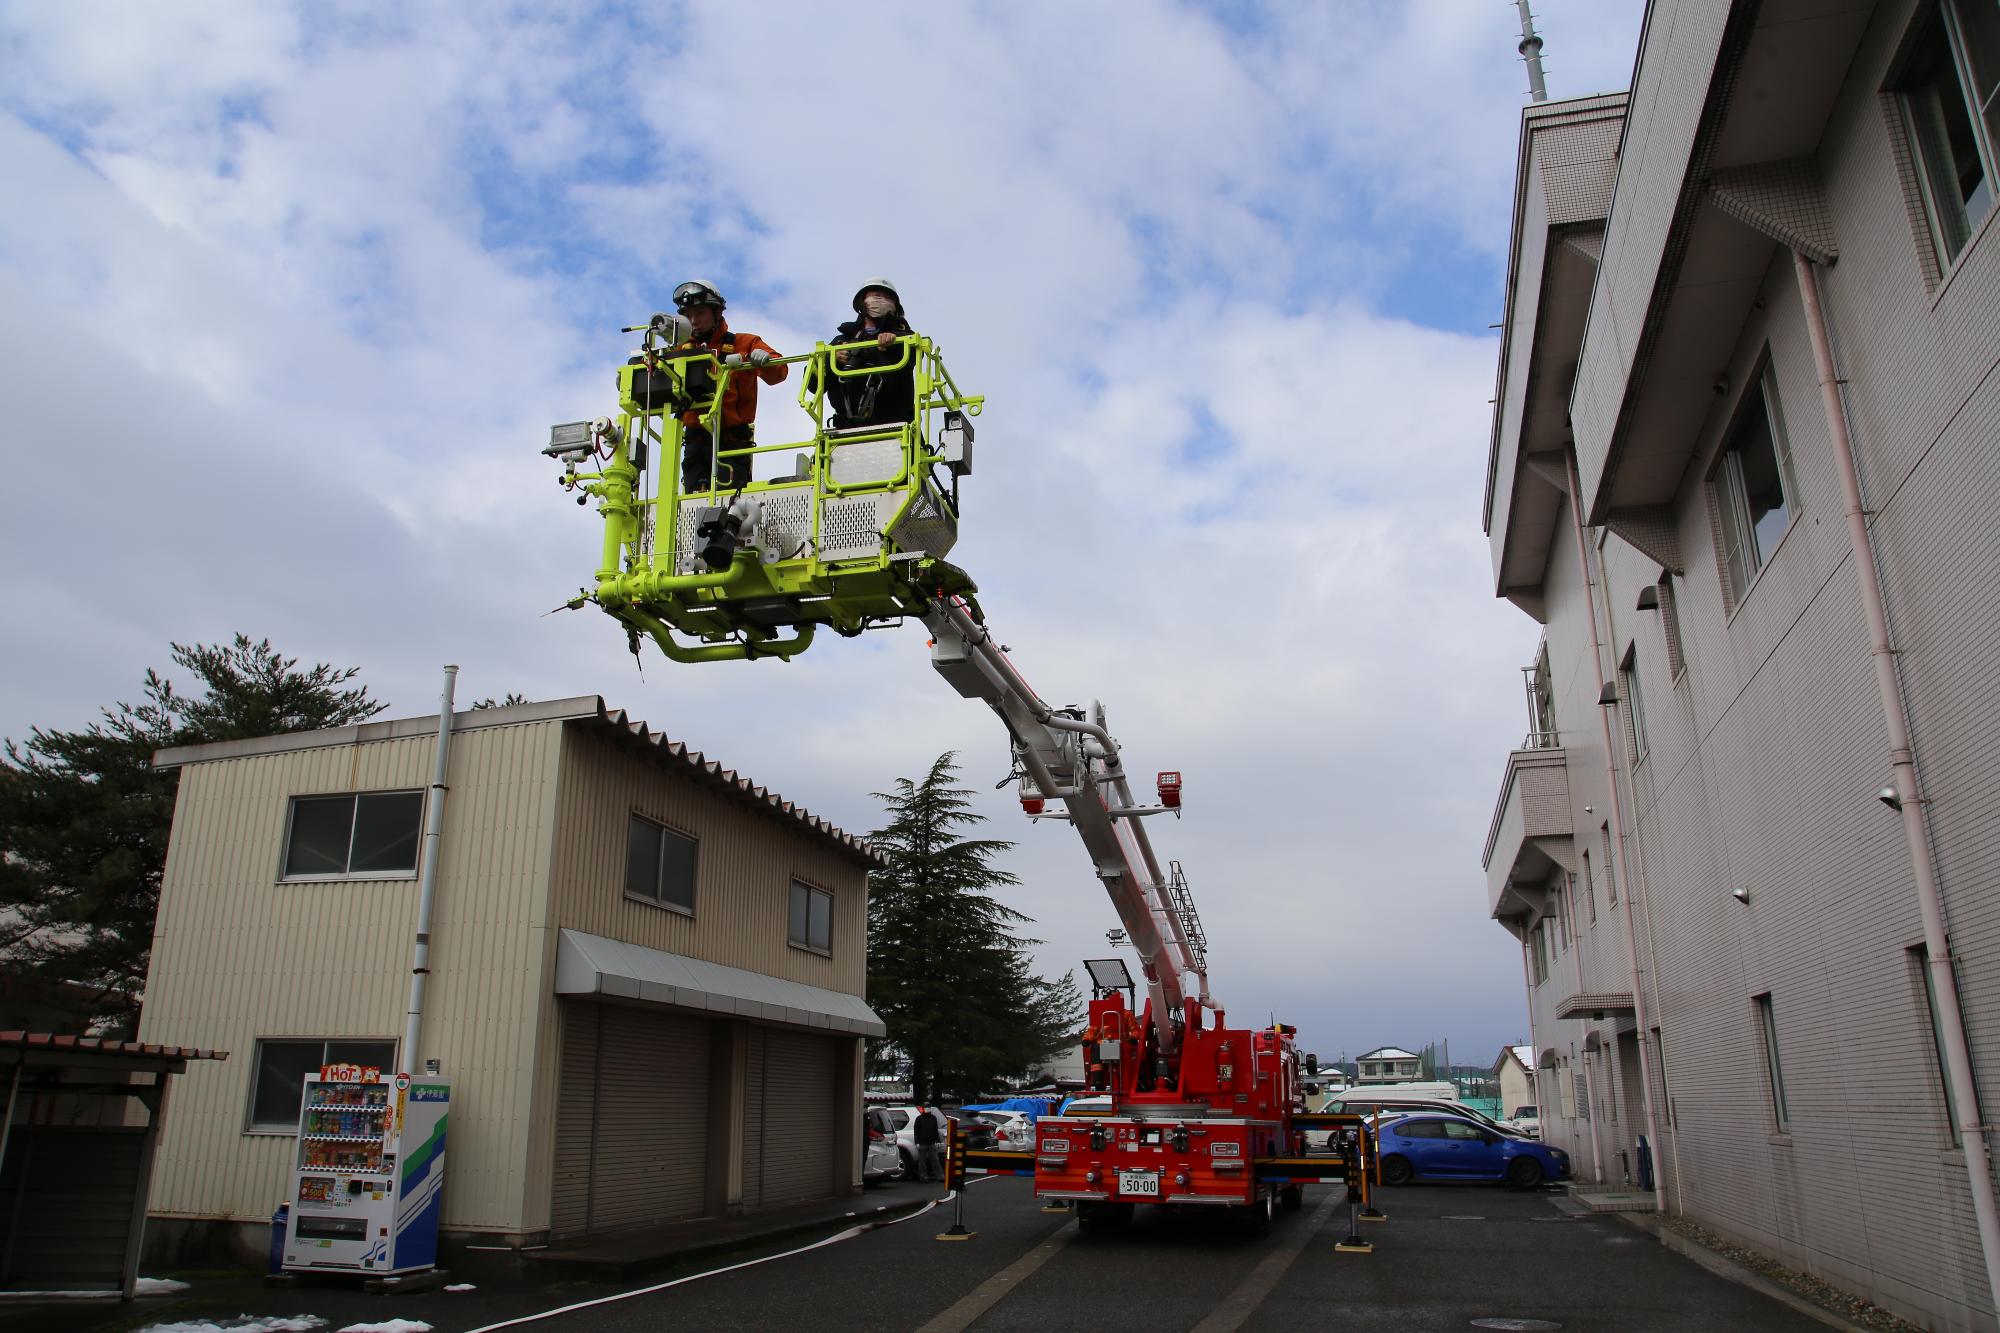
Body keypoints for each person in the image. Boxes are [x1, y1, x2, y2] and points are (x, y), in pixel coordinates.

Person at [665, 279, 787, 492]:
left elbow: (779, 372)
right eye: (688, 315)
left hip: (733, 441)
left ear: (717, 312)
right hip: (695, 442)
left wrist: (763, 358)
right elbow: (651, 375)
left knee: (731, 504)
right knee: (693, 505)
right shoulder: (678, 351)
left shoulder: (744, 343)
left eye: (700, 313)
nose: (694, 320)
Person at [824, 278, 916, 430]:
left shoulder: (905, 337)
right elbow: (813, 385)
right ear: (862, 302)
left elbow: (914, 358)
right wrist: (831, 358)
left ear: (895, 307)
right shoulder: (842, 340)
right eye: (877, 296)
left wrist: (894, 344)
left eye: (888, 299)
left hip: (894, 425)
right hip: (846, 428)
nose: (882, 301)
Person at [913, 1101, 944, 1183]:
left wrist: (938, 1141)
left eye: (929, 1107)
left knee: (935, 1160)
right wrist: (917, 1142)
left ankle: (940, 1176)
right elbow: (916, 1131)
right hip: (922, 1143)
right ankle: (923, 1177)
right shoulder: (919, 1119)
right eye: (926, 1107)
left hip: (931, 1143)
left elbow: (935, 1130)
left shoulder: (933, 1118)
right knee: (922, 1161)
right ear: (923, 1108)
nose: (928, 1108)